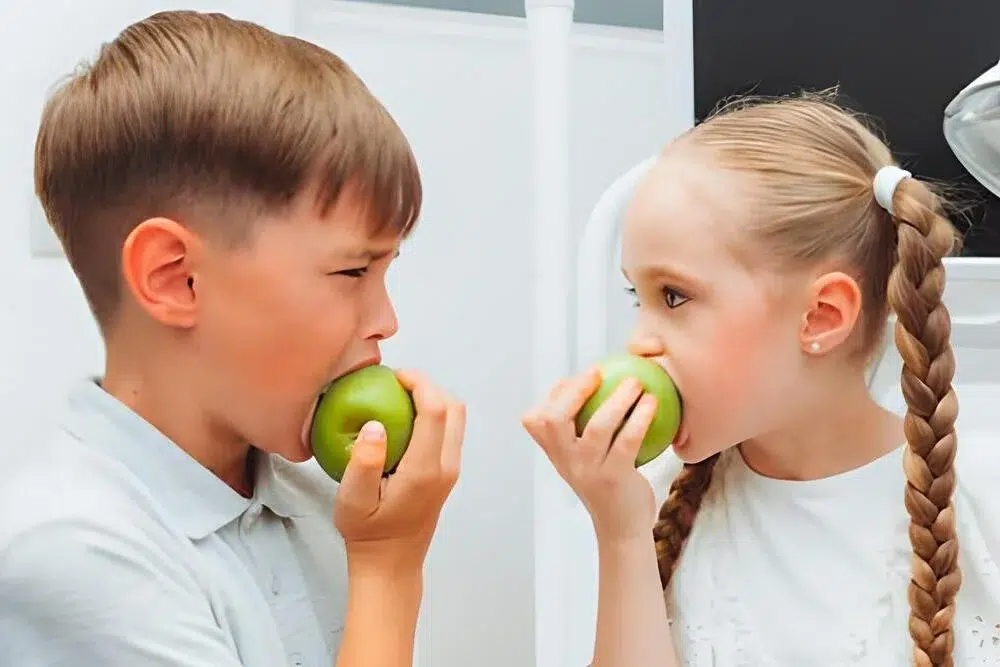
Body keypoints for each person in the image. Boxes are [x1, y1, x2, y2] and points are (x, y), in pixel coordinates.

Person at [0, 10, 465, 667]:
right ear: (177, 278)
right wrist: (388, 568)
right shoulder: (72, 549)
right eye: (353, 270)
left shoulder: (322, 509)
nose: (386, 319)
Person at [523, 92, 1000, 666]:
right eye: (637, 297)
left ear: (821, 316)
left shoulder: (979, 499)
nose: (637, 343)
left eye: (674, 296)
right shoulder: (646, 504)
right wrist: (621, 535)